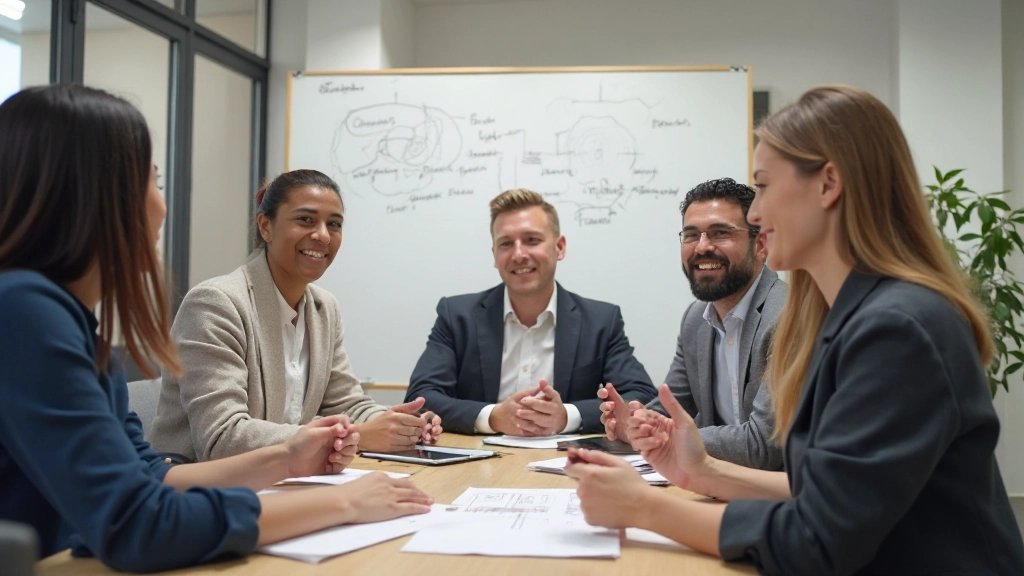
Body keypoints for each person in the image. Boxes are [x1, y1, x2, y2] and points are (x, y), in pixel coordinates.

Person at [565, 85, 1024, 575]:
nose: (756, 215)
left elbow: (817, 541)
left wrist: (645, 508)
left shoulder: (897, 328)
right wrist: (700, 470)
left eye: (762, 186)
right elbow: (824, 488)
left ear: (828, 184)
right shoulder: (841, 316)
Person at [0, 85, 433, 572]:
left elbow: (148, 476)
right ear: (94, 191)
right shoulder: (24, 312)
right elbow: (138, 521)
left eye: (335, 223)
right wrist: (344, 504)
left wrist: (290, 456)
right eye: (152, 181)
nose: (161, 206)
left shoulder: (70, 322)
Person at [150, 169, 442, 461]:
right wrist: (356, 435)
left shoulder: (324, 308)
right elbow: (222, 437)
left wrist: (402, 425)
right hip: (198, 490)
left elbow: (346, 402)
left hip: (281, 481)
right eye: (305, 220)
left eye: (335, 224)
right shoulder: (216, 304)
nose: (323, 235)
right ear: (266, 227)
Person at [405, 188, 657, 435]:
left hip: (568, 467)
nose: (518, 254)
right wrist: (492, 417)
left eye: (532, 240)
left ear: (559, 247)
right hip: (478, 463)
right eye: (505, 244)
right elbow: (421, 397)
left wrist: (566, 417)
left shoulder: (601, 321)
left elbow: (642, 396)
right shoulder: (457, 316)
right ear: (494, 255)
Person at [599, 178, 787, 469]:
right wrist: (634, 424)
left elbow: (765, 445)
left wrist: (666, 435)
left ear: (760, 244)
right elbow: (669, 411)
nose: (702, 247)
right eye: (690, 235)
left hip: (777, 500)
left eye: (720, 233)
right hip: (714, 487)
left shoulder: (787, 316)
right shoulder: (695, 320)